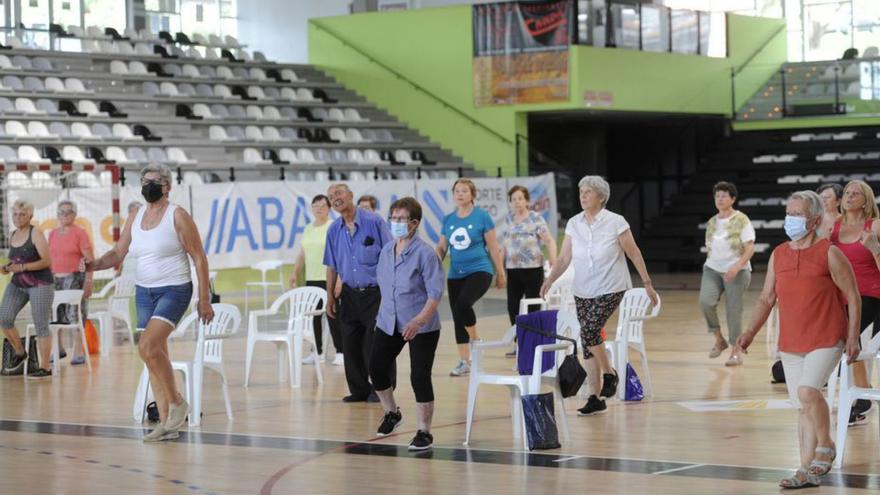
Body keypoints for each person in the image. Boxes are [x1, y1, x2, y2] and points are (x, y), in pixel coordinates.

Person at [737, 190, 860, 489]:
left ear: (815, 219)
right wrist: (749, 332)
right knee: (802, 405)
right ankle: (805, 470)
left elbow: (853, 295)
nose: (790, 219)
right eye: (788, 213)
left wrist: (853, 336)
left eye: (797, 214)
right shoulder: (780, 253)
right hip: (791, 342)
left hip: (827, 335)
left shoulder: (829, 252)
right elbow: (766, 299)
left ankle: (826, 443)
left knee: (807, 392)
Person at [84, 164, 214, 442]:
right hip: (144, 291)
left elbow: (199, 257)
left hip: (175, 289)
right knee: (151, 354)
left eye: (153, 181)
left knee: (148, 346)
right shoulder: (135, 215)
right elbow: (119, 253)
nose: (147, 186)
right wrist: (94, 264)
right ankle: (167, 423)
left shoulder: (177, 215)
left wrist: (204, 299)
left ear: (166, 186)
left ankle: (178, 403)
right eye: (144, 181)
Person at [541, 175, 658, 416]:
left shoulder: (616, 221)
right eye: (581, 192)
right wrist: (550, 280)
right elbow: (564, 259)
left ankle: (609, 373)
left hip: (612, 286)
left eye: (588, 192)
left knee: (589, 330)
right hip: (583, 288)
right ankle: (595, 397)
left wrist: (647, 283)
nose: (582, 196)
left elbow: (634, 253)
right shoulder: (574, 223)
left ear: (601, 197)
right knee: (588, 342)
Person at [370, 197, 444, 450]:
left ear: (414, 223)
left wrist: (419, 320)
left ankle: (425, 432)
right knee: (376, 368)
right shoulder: (386, 252)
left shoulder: (425, 254)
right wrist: (380, 316)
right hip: (389, 321)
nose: (396, 223)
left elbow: (435, 294)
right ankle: (392, 412)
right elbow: (385, 288)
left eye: (401, 219)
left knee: (419, 376)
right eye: (393, 218)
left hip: (421, 324)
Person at [324, 183, 393, 402]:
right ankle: (359, 389)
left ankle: (381, 388)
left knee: (377, 343)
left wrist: (389, 293)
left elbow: (390, 256)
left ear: (351, 195)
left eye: (339, 193)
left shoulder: (374, 222)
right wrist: (330, 297)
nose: (336, 198)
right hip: (349, 294)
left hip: (376, 293)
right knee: (350, 344)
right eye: (332, 196)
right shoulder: (334, 230)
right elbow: (331, 266)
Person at [435, 178, 506, 376]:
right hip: (456, 273)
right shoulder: (448, 219)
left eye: (464, 191)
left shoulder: (482, 217)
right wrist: (433, 263)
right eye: (457, 191)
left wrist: (501, 273)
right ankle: (464, 362)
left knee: (463, 304)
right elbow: (442, 247)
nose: (460, 194)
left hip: (480, 270)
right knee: (458, 316)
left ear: (472, 195)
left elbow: (493, 247)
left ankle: (476, 340)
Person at [824, 180, 880, 424]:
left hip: (873, 294)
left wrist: (874, 247)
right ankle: (862, 393)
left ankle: (863, 397)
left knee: (850, 328)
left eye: (855, 193)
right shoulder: (832, 229)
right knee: (842, 331)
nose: (849, 196)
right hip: (843, 295)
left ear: (865, 201)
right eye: (847, 192)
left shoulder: (875, 226)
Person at [698, 182, 756, 366]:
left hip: (737, 270)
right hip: (713, 268)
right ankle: (719, 339)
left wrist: (736, 266)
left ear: (732, 199)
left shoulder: (742, 220)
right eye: (717, 196)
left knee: (733, 311)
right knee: (705, 302)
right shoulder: (712, 222)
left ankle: (736, 351)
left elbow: (750, 248)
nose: (720, 199)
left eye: (724, 195)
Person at [0, 200, 55, 379]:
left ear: (30, 215)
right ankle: (20, 352)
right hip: (18, 284)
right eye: (15, 214)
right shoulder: (13, 234)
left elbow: (46, 261)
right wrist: (7, 267)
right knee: (4, 317)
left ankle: (45, 367)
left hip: (40, 284)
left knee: (41, 326)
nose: (18, 217)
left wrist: (22, 268)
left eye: (22, 214)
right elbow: (16, 260)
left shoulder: (36, 233)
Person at [290, 194, 343, 366]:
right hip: (311, 279)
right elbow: (302, 254)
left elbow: (340, 254)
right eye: (315, 206)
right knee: (313, 318)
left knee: (333, 316)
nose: (319, 209)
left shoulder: (333, 227)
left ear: (329, 208)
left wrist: (339, 280)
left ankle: (341, 352)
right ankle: (317, 352)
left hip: (329, 278)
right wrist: (294, 273)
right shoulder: (308, 228)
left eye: (322, 206)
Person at [501, 185, 557, 326]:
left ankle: (532, 341)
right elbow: (504, 246)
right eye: (513, 199)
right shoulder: (508, 220)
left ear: (527, 201)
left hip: (533, 269)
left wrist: (553, 259)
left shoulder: (535, 218)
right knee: (512, 307)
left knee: (533, 307)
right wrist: (500, 270)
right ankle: (518, 341)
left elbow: (549, 240)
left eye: (520, 198)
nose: (517, 202)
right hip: (513, 270)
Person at [48, 200, 94, 366]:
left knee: (75, 315)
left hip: (74, 278)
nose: (64, 215)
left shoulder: (80, 233)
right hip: (54, 278)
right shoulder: (52, 233)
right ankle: (58, 348)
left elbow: (89, 259)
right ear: (57, 215)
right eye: (61, 212)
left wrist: (89, 280)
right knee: (55, 315)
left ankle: (78, 351)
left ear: (74, 215)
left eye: (68, 212)